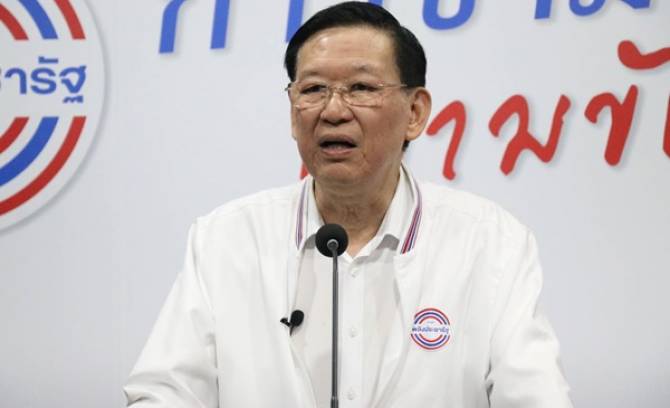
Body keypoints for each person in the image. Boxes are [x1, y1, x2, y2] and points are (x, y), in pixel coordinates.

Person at [124, 2, 572, 407]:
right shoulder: (226, 239)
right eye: (313, 90)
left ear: (415, 113)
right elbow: (165, 392)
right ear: (293, 111)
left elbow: (536, 397)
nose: (333, 111)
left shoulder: (491, 243)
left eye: (360, 87)